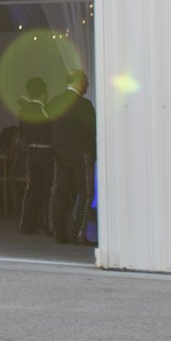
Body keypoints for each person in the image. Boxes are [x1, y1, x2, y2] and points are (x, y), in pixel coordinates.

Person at [49, 70, 98, 245]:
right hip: (81, 151)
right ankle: (79, 233)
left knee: (61, 191)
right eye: (85, 81)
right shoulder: (84, 105)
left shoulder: (55, 102)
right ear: (79, 82)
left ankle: (59, 232)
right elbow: (92, 129)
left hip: (60, 150)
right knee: (87, 191)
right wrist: (94, 153)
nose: (87, 85)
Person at [16, 78, 60, 235]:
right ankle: (47, 223)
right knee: (47, 188)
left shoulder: (23, 110)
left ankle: (27, 223)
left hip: (32, 152)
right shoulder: (46, 109)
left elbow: (22, 134)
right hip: (46, 152)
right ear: (43, 93)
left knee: (32, 188)